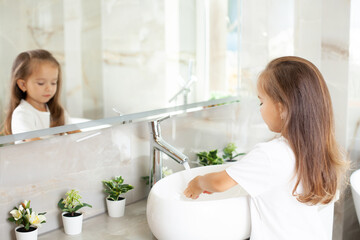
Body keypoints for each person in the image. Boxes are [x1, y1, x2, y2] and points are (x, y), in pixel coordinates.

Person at [184, 56, 348, 239]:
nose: (260, 108)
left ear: (281, 109)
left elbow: (219, 183)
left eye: (261, 101)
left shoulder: (270, 154)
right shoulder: (315, 149)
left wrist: (198, 182)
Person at [3, 49, 78, 142]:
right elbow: (35, 146)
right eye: (41, 83)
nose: (49, 88)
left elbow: (78, 135)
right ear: (23, 85)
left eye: (53, 83)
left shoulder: (57, 111)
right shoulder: (22, 114)